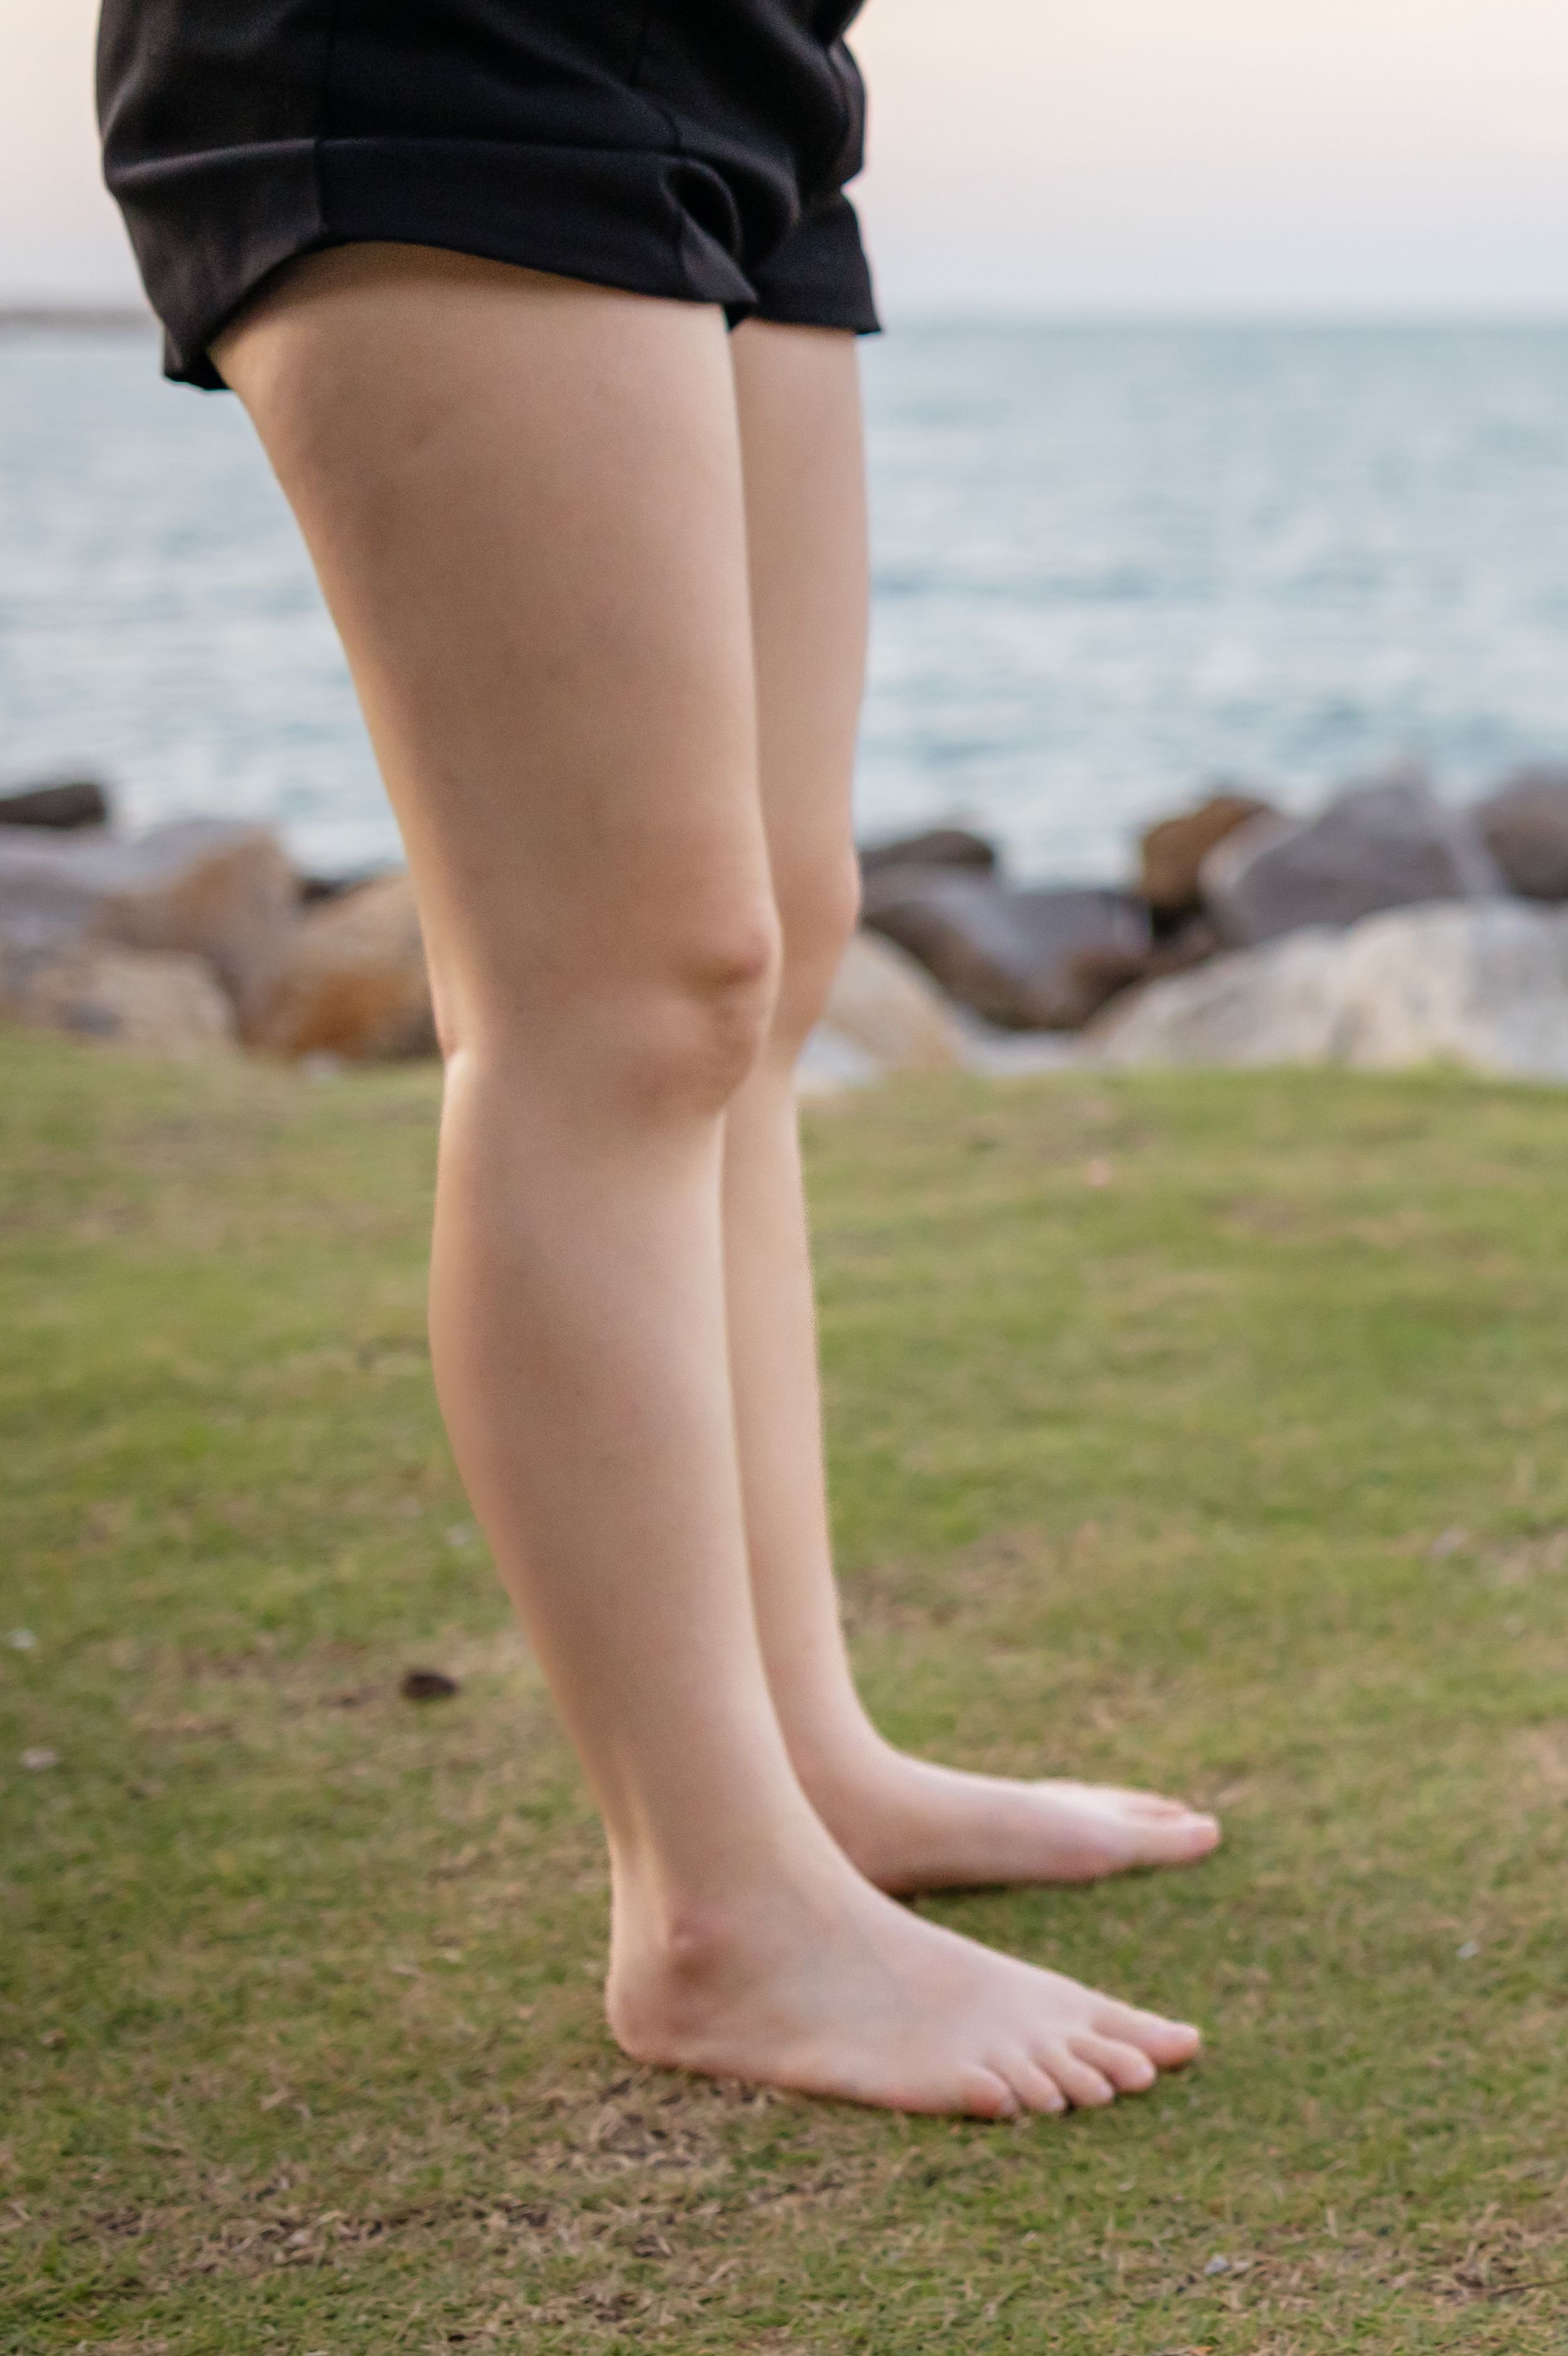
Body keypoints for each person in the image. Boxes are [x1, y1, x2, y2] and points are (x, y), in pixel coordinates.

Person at [98, 1, 1213, 2117]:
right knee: (620, 981)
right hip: (439, 41)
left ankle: (807, 1765)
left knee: (764, 957)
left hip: (743, 56)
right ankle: (709, 1907)